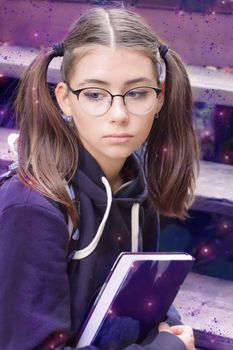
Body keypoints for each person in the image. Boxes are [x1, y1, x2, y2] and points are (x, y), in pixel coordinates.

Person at [0, 6, 199, 350]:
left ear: (159, 98)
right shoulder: (32, 208)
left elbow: (131, 296)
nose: (119, 115)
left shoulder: (136, 182)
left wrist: (170, 328)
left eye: (136, 92)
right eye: (94, 94)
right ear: (65, 98)